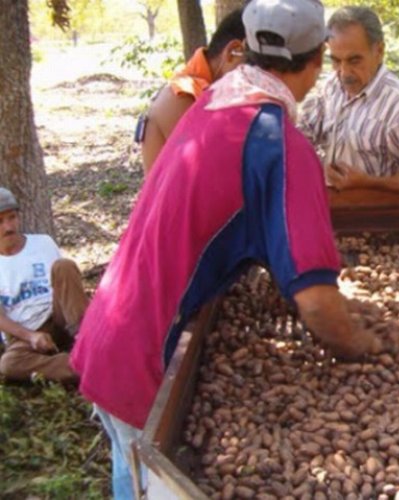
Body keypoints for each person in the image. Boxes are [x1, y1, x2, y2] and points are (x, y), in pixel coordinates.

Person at [71, 1, 380, 498]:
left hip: (107, 332)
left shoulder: (210, 106)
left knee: (130, 480)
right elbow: (318, 304)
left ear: (247, 48)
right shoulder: (276, 141)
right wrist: (365, 343)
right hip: (145, 359)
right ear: (319, 58)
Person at [299, 6, 399, 197]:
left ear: (379, 51)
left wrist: (369, 183)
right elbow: (305, 130)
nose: (344, 72)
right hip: (332, 208)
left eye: (354, 60)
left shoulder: (398, 106)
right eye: (336, 61)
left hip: (377, 217)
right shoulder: (332, 86)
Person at [136, 8, 247, 175]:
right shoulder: (184, 97)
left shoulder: (207, 90)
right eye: (261, 68)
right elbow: (219, 181)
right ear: (233, 53)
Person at [0, 187, 88, 383]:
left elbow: (65, 285)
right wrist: (30, 336)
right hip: (24, 333)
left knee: (64, 266)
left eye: (12, 218)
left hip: (58, 317)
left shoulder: (42, 243)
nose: (8, 227)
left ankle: (88, 340)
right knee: (9, 364)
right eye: (0, 221)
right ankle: (78, 366)